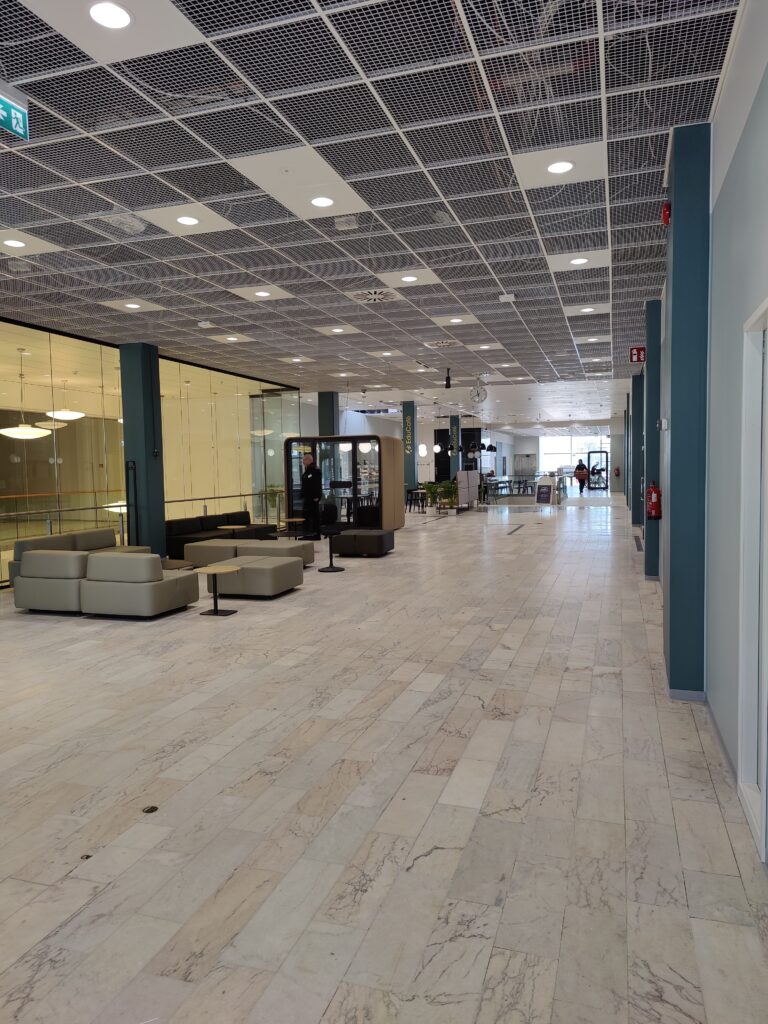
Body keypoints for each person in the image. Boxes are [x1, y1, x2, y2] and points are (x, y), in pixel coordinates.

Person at [300, 452, 323, 539]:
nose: (303, 462)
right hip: (307, 497)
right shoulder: (307, 471)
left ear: (309, 460)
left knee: (313, 516)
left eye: (304, 460)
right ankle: (307, 534)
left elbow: (316, 484)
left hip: (312, 498)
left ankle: (315, 534)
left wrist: (317, 496)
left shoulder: (315, 471)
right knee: (307, 516)